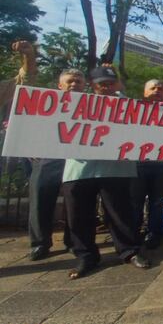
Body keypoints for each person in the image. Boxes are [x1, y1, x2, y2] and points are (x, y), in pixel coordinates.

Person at [60, 65, 150, 278]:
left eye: (111, 83)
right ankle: (86, 256)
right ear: (93, 85)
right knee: (79, 215)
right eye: (102, 84)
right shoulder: (73, 104)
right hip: (79, 168)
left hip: (115, 168)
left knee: (120, 213)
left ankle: (129, 251)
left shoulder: (125, 104)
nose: (107, 88)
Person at [28, 69, 84, 261]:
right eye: (70, 81)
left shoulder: (92, 106)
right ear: (60, 85)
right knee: (40, 201)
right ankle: (40, 243)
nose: (74, 84)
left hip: (77, 160)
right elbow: (28, 124)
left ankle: (72, 241)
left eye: (78, 81)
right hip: (47, 158)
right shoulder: (44, 102)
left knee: (75, 203)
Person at [130, 79, 163, 249]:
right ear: (144, 92)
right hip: (138, 164)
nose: (157, 91)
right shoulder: (133, 110)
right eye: (153, 88)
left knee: (158, 202)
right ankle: (134, 234)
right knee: (135, 201)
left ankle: (154, 234)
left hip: (162, 165)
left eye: (161, 89)